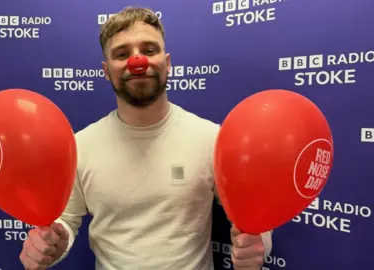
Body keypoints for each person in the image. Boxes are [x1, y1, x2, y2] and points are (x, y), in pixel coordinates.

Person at [19, 6, 272, 270]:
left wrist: (258, 246)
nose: (137, 62)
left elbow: (248, 219)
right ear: (106, 71)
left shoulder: (211, 138)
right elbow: (66, 222)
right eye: (122, 54)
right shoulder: (81, 146)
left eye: (149, 50)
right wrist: (51, 246)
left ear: (168, 62)